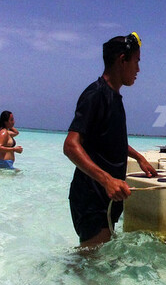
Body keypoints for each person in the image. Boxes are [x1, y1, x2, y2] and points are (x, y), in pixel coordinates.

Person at [63, 32, 157, 249]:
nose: (138, 70)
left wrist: (139, 157)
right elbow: (70, 145)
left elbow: (110, 140)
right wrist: (107, 180)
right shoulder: (96, 94)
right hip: (91, 200)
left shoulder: (114, 97)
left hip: (105, 200)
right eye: (137, 62)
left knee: (99, 267)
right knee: (92, 271)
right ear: (122, 60)